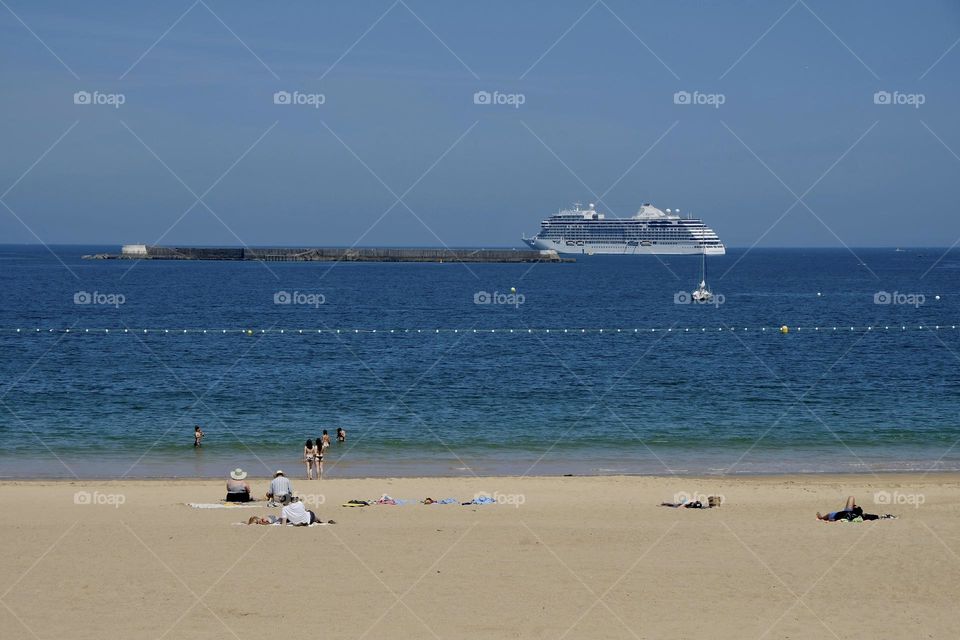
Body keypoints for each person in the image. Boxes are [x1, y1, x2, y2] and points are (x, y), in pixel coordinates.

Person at [817, 496, 895, 521]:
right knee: (851, 498)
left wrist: (821, 517)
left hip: (846, 515)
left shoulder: (834, 515)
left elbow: (826, 517)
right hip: (852, 515)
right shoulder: (862, 515)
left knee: (852, 500)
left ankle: (854, 508)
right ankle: (854, 507)